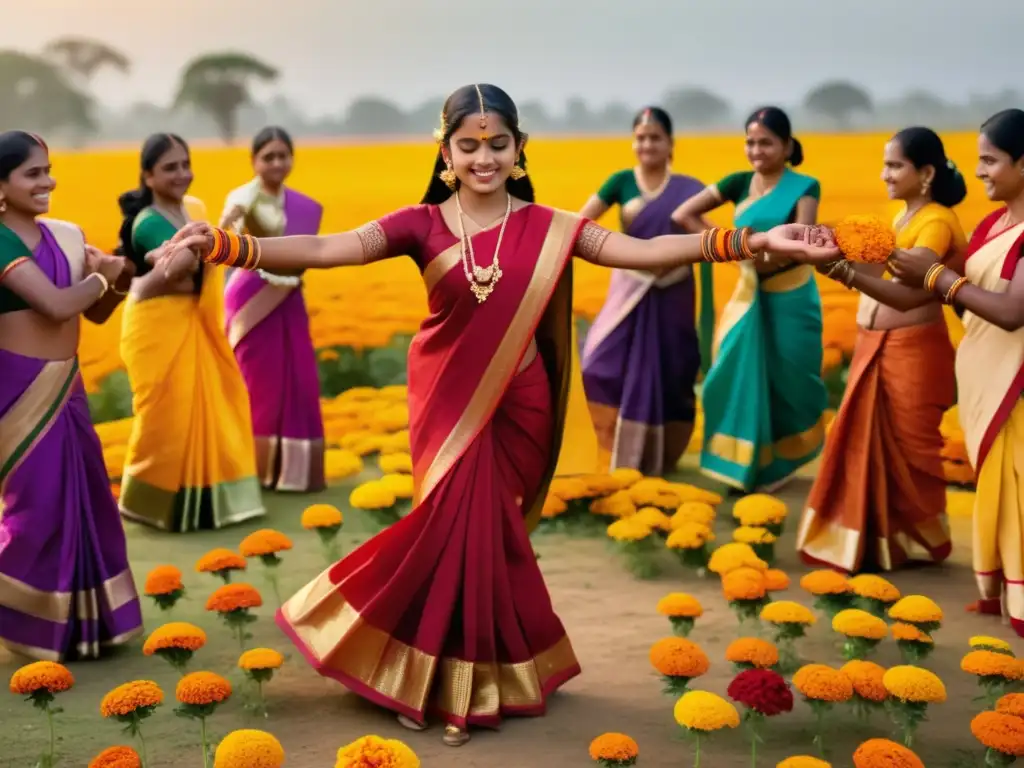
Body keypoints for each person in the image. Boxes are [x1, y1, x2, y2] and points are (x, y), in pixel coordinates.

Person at [153, 84, 839, 745]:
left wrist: (752, 242)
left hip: (519, 400)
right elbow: (328, 250)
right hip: (446, 400)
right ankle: (440, 679)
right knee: (450, 533)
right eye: (469, 145)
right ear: (444, 154)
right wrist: (227, 245)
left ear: (520, 149)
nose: (484, 158)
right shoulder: (419, 225)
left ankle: (465, 681)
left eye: (499, 143)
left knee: (487, 538)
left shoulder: (548, 227)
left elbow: (644, 250)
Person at [0, 131, 143, 660]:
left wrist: (122, 275)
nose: (47, 181)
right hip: (17, 391)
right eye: (32, 173)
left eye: (48, 170)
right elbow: (59, 305)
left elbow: (96, 312)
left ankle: (84, 628)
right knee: (35, 510)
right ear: (1, 185)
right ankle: (25, 623)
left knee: (86, 504)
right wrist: (103, 278)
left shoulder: (64, 235)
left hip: (68, 384)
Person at [798, 127, 967, 573]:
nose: (884, 174)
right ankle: (877, 545)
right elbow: (878, 268)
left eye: (895, 165)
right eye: (885, 164)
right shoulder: (901, 217)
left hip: (912, 351)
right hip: (878, 348)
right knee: (860, 446)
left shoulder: (936, 222)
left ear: (926, 172)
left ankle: (917, 541)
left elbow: (912, 296)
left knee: (911, 457)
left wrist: (841, 272)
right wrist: (828, 243)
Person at [889, 108, 1024, 636]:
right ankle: (1002, 589)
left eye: (990, 160)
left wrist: (938, 278)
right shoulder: (993, 225)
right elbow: (969, 304)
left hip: (1015, 385)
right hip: (983, 380)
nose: (980, 172)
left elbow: (1013, 312)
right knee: (997, 488)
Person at [671, 106, 827, 493]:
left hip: (791, 297)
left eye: (766, 143)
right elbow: (684, 214)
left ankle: (782, 465)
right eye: (751, 142)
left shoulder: (805, 185)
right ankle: (741, 465)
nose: (757, 150)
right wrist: (732, 247)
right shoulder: (738, 182)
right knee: (730, 374)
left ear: (787, 145)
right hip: (749, 296)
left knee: (791, 380)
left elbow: (804, 238)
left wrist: (764, 253)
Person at [117, 133, 264, 531]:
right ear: (148, 176)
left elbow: (192, 260)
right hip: (156, 325)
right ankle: (144, 502)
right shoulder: (148, 221)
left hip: (194, 321)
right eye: (170, 167)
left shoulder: (194, 208)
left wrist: (213, 233)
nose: (182, 174)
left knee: (211, 404)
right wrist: (201, 241)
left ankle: (202, 507)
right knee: (165, 415)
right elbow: (177, 264)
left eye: (185, 164)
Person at [578, 107, 705, 475]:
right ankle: (609, 449)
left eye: (655, 138)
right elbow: (580, 224)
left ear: (670, 144)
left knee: (674, 370)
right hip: (630, 291)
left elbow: (707, 235)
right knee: (598, 365)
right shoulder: (620, 182)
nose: (647, 144)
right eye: (641, 137)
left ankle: (662, 457)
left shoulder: (689, 189)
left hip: (674, 291)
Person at [221, 127, 326, 493]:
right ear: (254, 161)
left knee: (298, 376)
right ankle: (254, 470)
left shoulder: (303, 207)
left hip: (289, 297)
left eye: (284, 155)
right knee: (259, 383)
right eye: (269, 156)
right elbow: (224, 245)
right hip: (251, 296)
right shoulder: (240, 199)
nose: (277, 163)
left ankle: (296, 473)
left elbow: (302, 258)